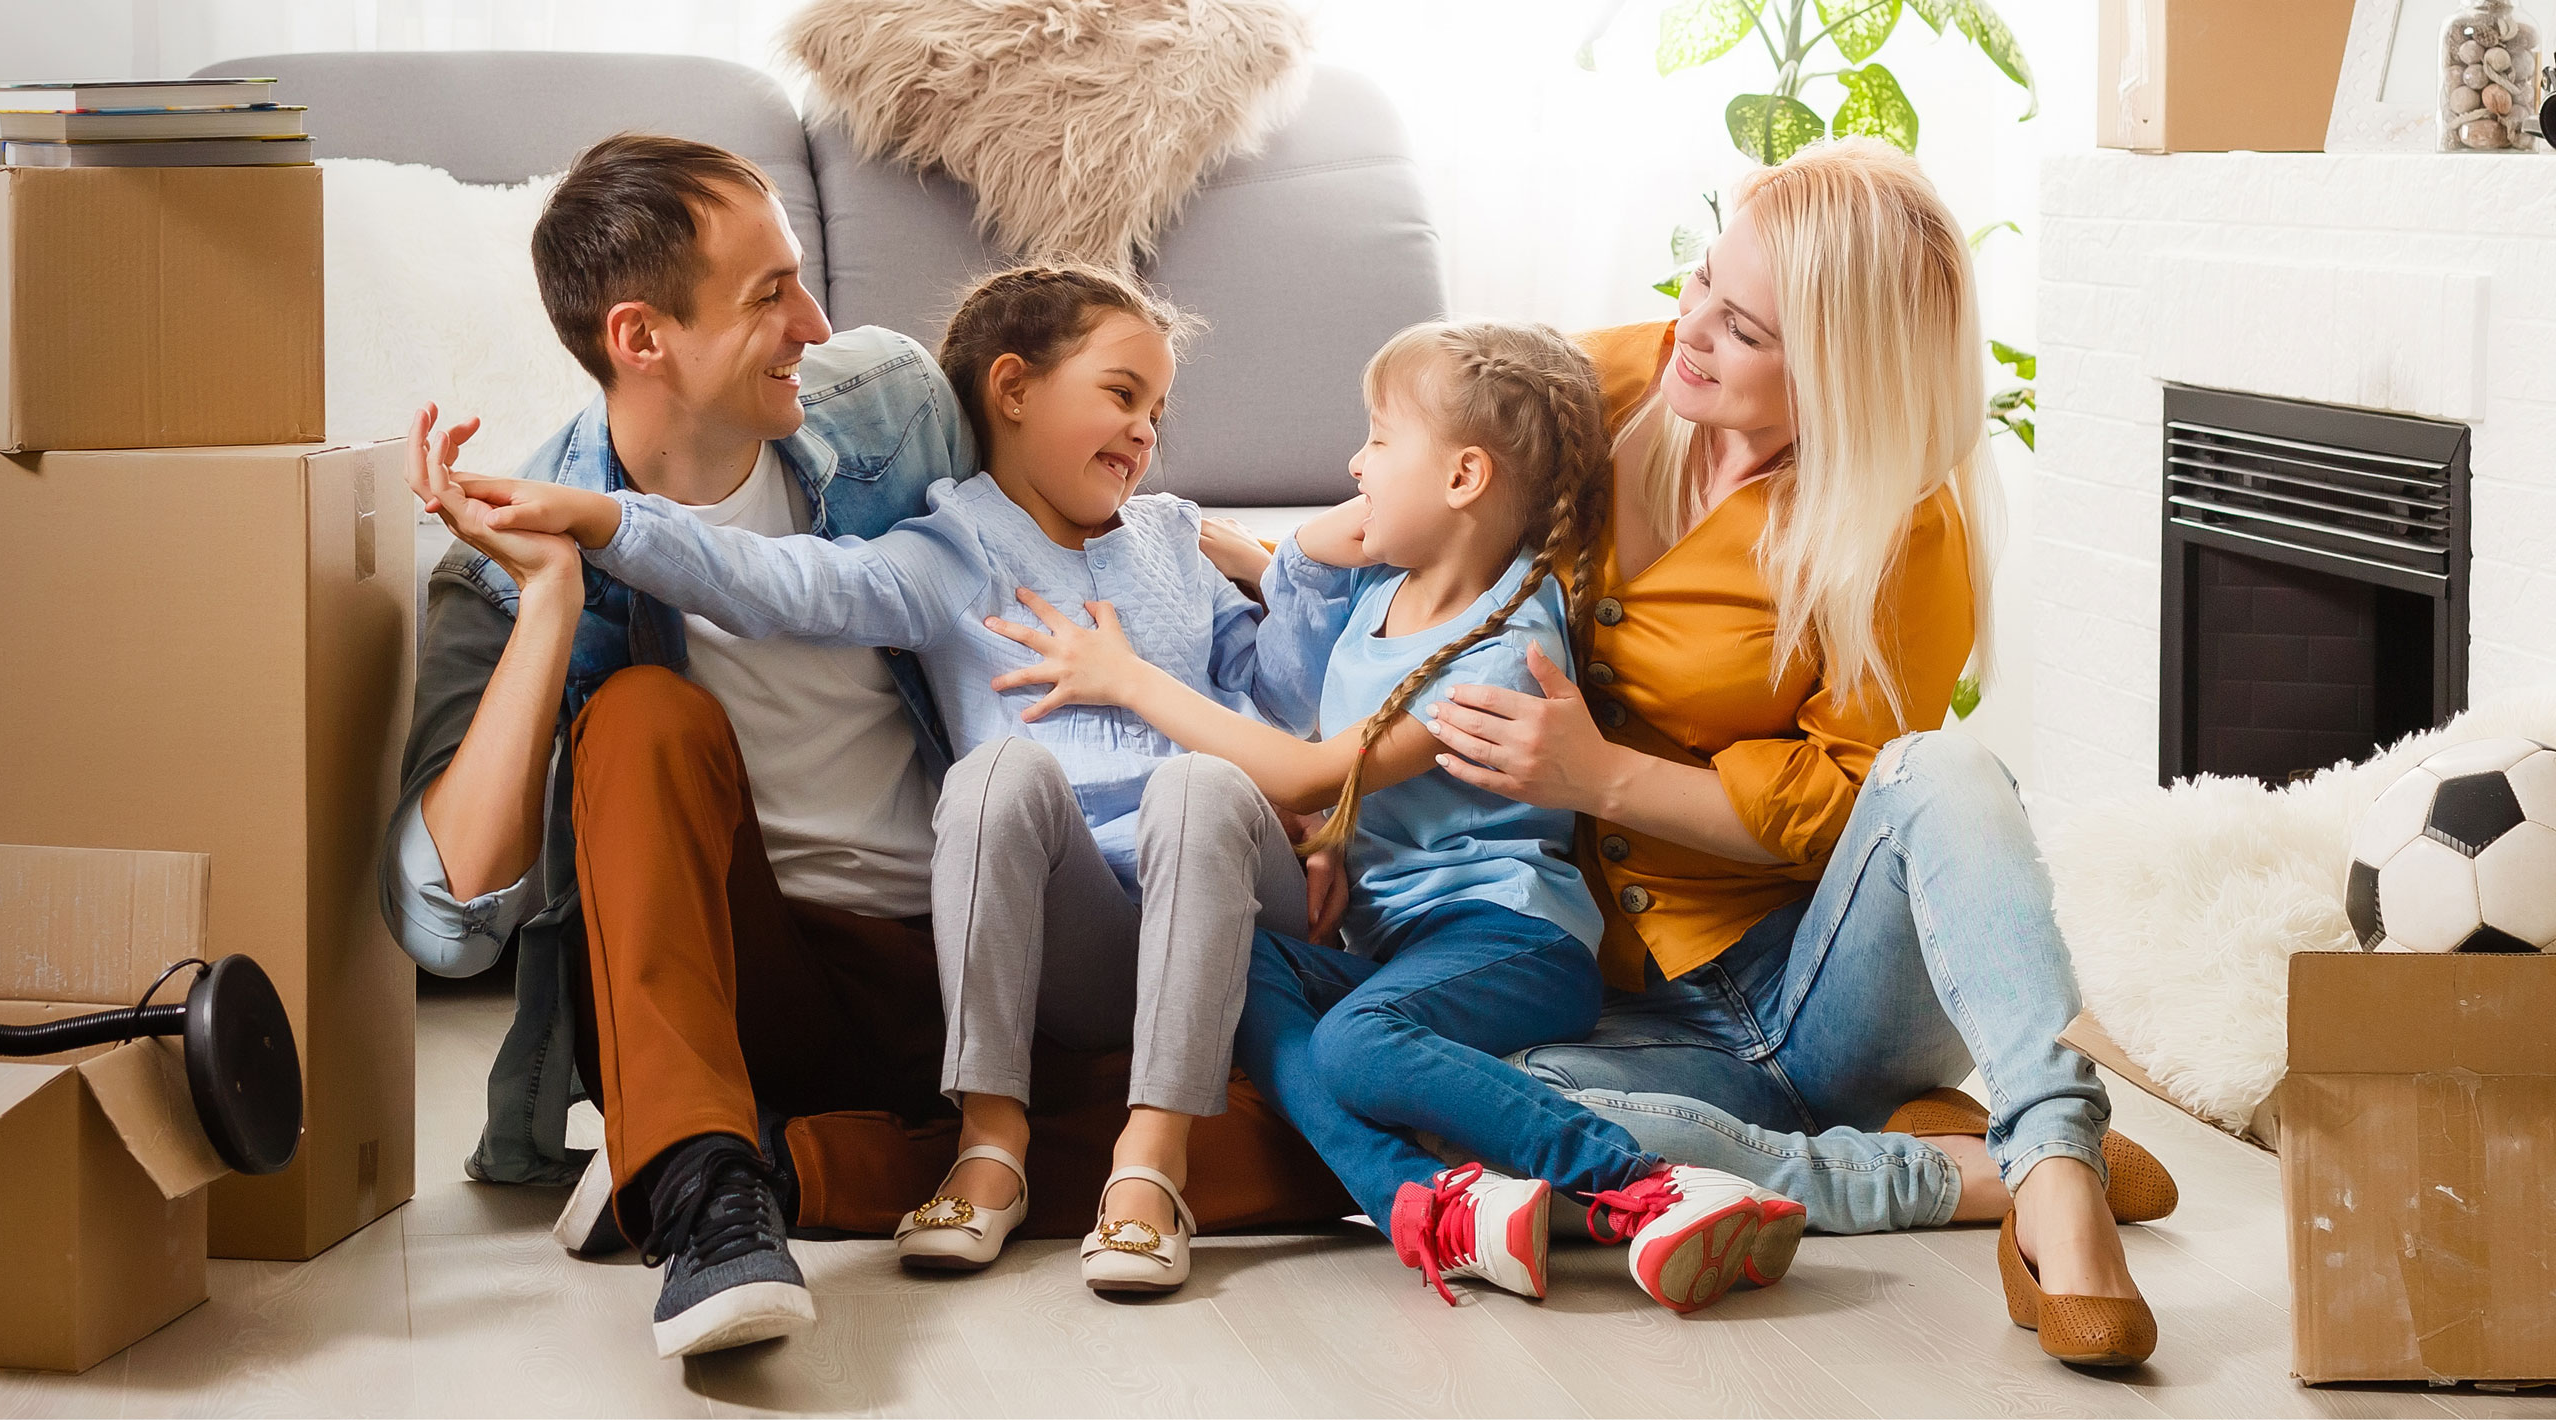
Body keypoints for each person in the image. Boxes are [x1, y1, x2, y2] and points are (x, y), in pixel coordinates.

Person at [1413, 139, 2172, 1368]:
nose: (1687, 329)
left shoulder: (1901, 526)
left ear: (1839, 369)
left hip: (1821, 988)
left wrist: (1596, 777)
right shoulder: (1602, 387)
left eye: (1743, 329)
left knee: (1943, 771)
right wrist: (1250, 565)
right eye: (1700, 279)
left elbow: (1837, 803)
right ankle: (1968, 1167)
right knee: (1430, 1093)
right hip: (1614, 1012)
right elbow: (1414, 459)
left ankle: (2061, 1184)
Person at [455, 263, 1320, 1297]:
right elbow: (786, 583)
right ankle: (988, 1142)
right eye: (1122, 395)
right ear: (1012, 389)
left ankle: (1153, 1159)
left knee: (1203, 789)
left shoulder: (1177, 537)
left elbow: (1273, 698)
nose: (1145, 432)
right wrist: (606, 520)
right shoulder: (952, 550)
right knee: (996, 774)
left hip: (1231, 890)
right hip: (1085, 940)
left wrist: (1287, 578)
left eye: (1160, 413)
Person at [982, 320, 1809, 1315]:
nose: (1352, 462)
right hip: (1402, 941)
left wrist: (1129, 679)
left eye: (1378, 438)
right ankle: (1431, 1200)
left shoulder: (1504, 647)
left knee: (1355, 1045)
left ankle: (1644, 1181)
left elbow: (1305, 772)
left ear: (1463, 478)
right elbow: (1322, 552)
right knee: (1239, 968)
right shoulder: (1387, 585)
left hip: (1511, 940)